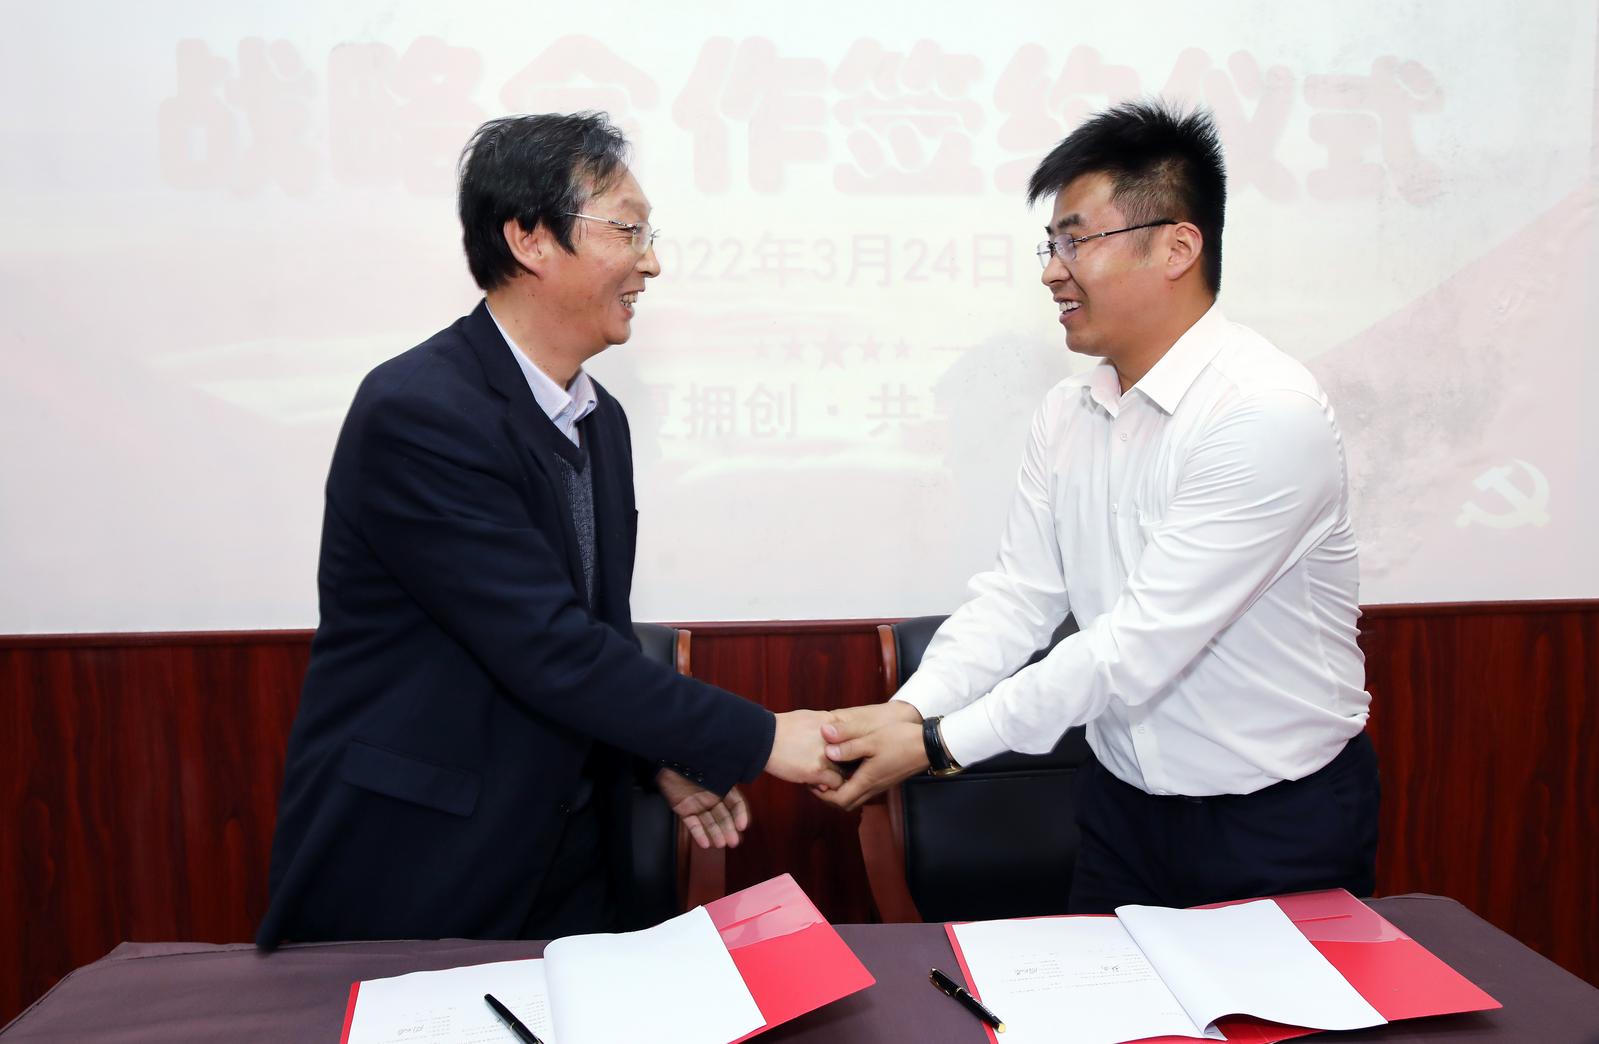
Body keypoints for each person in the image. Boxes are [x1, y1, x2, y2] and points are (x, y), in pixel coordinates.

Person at [257, 112, 842, 948]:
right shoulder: (420, 411)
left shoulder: (599, 421)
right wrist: (763, 738)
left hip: (569, 856)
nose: (650, 261)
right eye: (627, 231)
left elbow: (596, 630)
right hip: (424, 861)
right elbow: (546, 646)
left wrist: (654, 754)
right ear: (530, 238)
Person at [816, 102, 1379, 913]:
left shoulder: (1263, 413)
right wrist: (911, 708)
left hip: (1275, 820)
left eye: (1076, 240)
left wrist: (937, 744)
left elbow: (1137, 645)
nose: (1052, 271)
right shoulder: (1067, 412)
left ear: (1177, 247)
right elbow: (1018, 598)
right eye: (1051, 244)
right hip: (1119, 808)